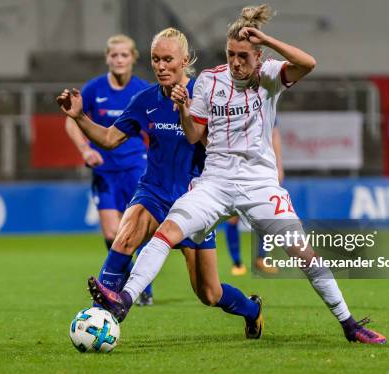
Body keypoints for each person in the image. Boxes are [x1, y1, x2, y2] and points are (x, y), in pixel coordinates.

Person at [89, 5, 386, 345]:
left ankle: (349, 324)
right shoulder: (209, 81)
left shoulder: (270, 75)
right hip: (214, 182)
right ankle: (125, 300)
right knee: (166, 232)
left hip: (259, 184)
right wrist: (185, 108)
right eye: (231, 54)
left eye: (243, 55)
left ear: (258, 56)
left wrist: (268, 40)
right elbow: (192, 135)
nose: (236, 62)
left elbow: (308, 63)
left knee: (302, 252)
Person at [57, 27, 263, 339]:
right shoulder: (146, 100)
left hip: (195, 202)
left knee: (209, 293)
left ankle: (251, 309)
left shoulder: (208, 96)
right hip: (154, 192)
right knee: (125, 235)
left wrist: (185, 110)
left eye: (168, 59)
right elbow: (111, 138)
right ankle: (99, 315)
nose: (161, 66)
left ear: (185, 60)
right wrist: (80, 117)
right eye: (156, 59)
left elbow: (216, 146)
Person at [64, 35, 154, 304]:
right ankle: (125, 283)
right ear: (107, 58)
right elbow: (72, 122)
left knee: (138, 232)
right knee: (111, 234)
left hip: (136, 167)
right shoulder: (93, 89)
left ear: (132, 58)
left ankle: (141, 288)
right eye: (114, 55)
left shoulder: (143, 89)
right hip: (104, 172)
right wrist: (85, 150)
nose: (119, 59)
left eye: (124, 55)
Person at [225, 125, 283, 275]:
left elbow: (274, 134)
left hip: (260, 169)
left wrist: (279, 166)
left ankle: (261, 258)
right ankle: (237, 263)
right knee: (233, 216)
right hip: (234, 167)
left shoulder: (264, 104)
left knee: (265, 215)